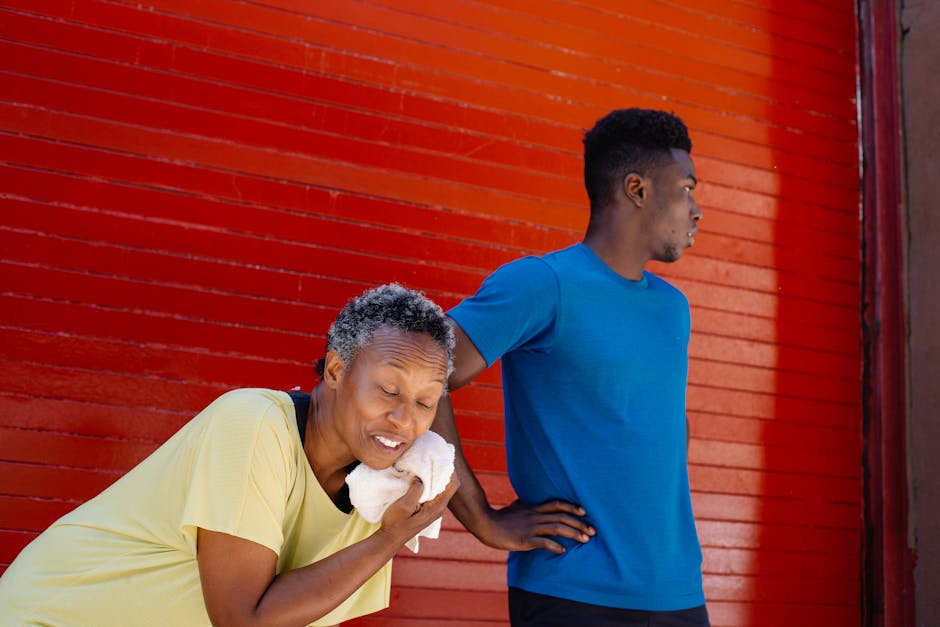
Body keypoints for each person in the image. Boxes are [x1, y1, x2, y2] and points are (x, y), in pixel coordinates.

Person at [0, 283, 459, 626]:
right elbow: (245, 619)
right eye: (388, 388)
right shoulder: (255, 423)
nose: (404, 419)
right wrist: (389, 539)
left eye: (425, 402)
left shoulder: (382, 490)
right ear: (337, 369)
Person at [433, 108, 708, 626]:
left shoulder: (673, 307)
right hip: (572, 595)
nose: (696, 210)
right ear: (637, 189)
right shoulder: (543, 284)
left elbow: (664, 428)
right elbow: (417, 373)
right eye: (687, 189)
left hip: (677, 594)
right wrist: (481, 518)